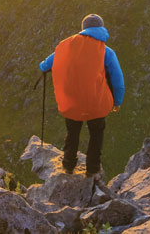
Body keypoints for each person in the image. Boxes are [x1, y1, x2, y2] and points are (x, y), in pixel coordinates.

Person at [39, 13, 124, 176]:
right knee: (96, 133)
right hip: (97, 103)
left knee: (72, 133)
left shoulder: (68, 46)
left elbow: (46, 65)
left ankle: (68, 165)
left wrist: (42, 66)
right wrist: (117, 102)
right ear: (101, 28)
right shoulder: (106, 51)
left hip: (72, 102)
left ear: (83, 29)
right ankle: (93, 169)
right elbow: (117, 79)